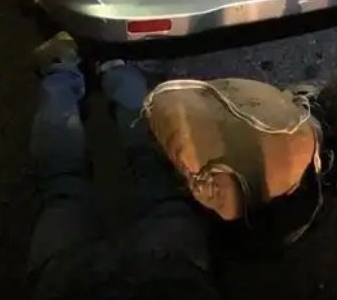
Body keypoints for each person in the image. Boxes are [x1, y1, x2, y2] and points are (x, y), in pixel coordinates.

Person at [28, 32, 220, 300]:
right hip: (168, 282)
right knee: (149, 176)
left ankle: (75, 65)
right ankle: (104, 65)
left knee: (65, 186)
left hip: (87, 286)